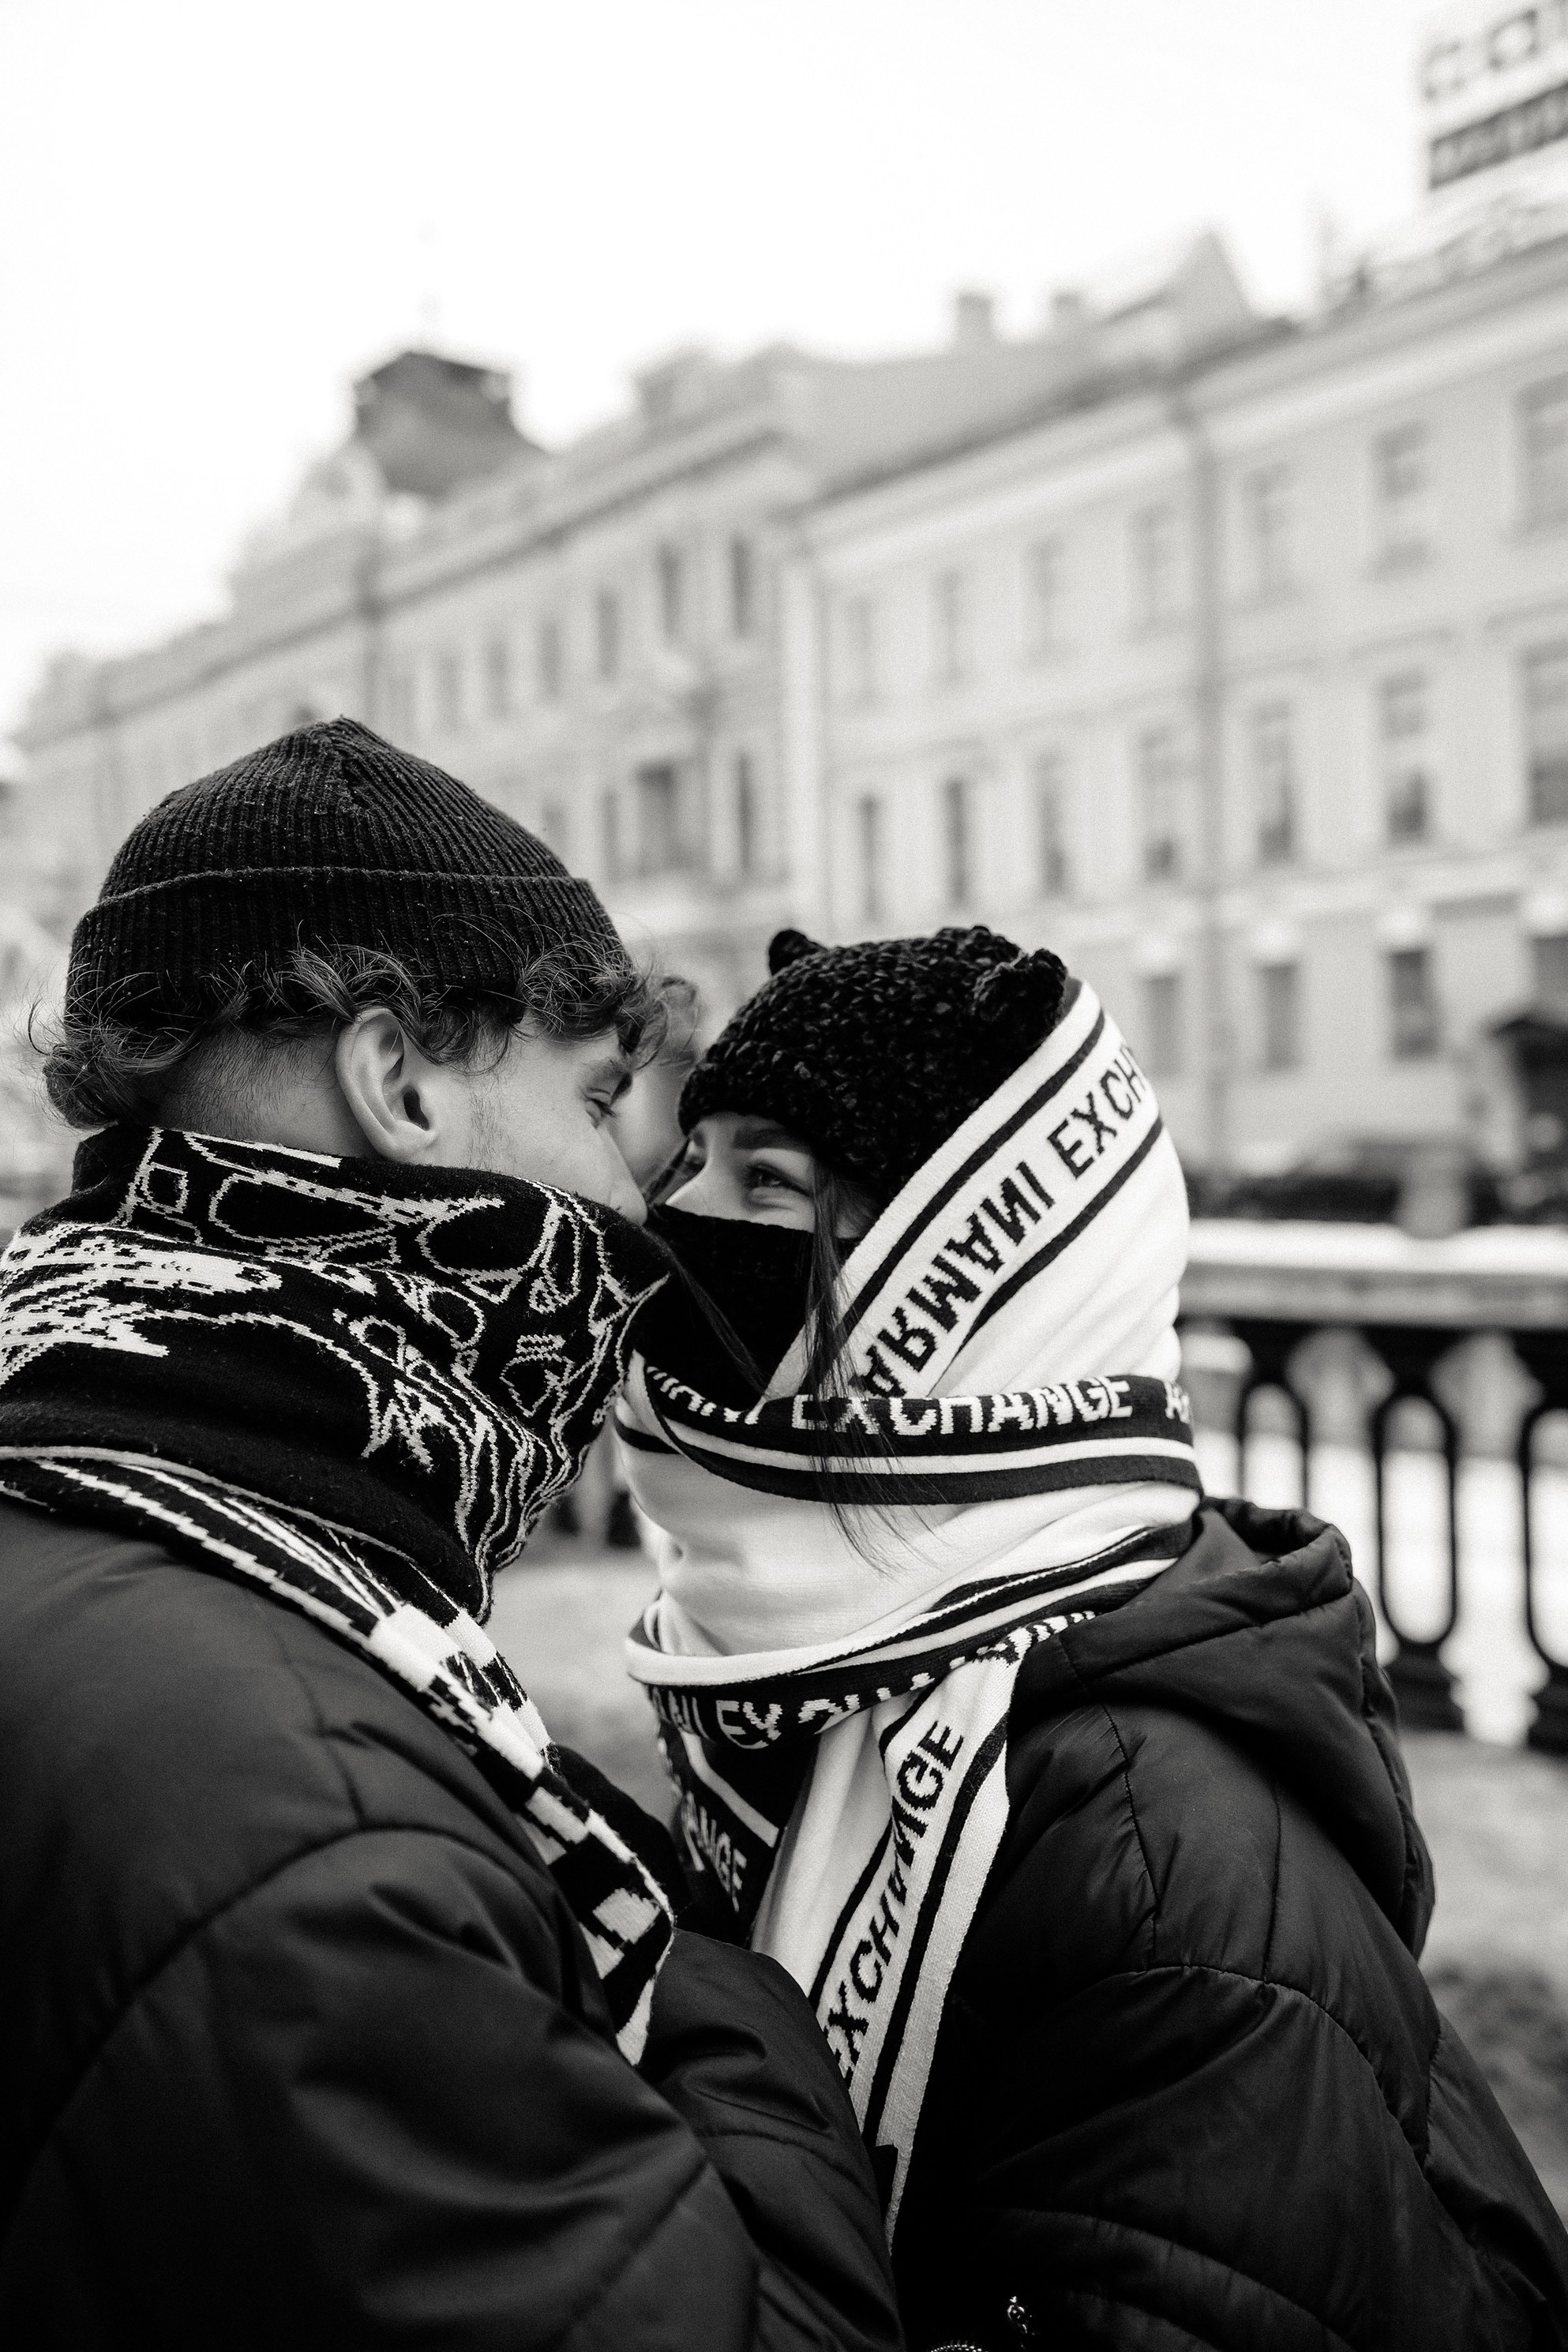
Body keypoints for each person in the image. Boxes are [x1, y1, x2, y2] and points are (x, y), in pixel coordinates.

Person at [0, 721, 902, 2352]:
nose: (635, 1209)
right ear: (402, 1080)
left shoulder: (83, 1480)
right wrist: (705, 1961)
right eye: (602, 1095)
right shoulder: (313, 1809)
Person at [617, 923, 1568, 2352]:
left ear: (960, 1297)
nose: (671, 1225)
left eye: (770, 1181)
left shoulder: (1150, 1865)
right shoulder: (826, 1679)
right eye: (690, 1163)